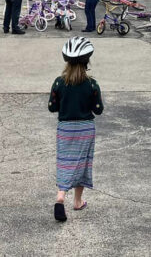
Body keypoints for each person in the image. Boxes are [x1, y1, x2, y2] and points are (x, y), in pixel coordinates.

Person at [49, 36, 103, 222]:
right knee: (82, 163)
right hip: (85, 128)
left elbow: (52, 107)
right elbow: (98, 110)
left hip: (65, 128)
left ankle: (60, 196)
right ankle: (78, 201)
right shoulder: (91, 84)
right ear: (87, 60)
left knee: (65, 162)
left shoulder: (58, 82)